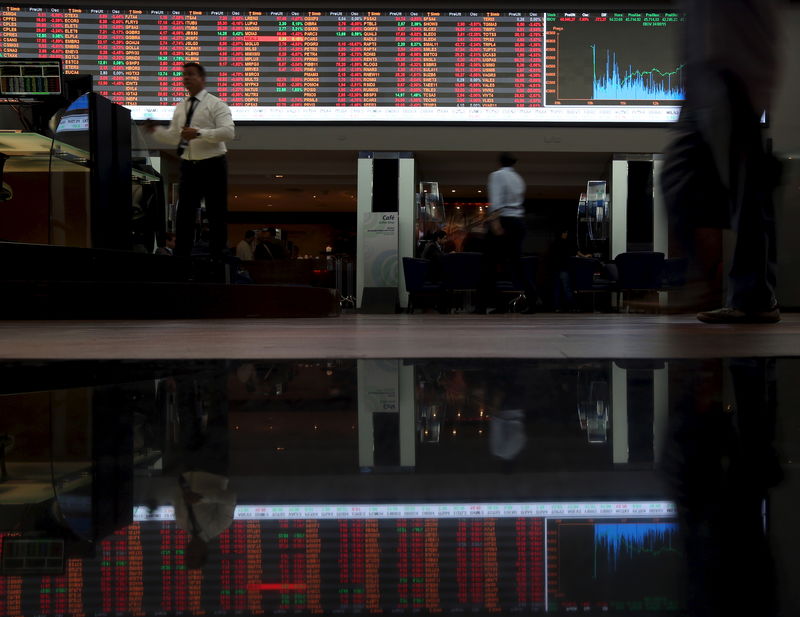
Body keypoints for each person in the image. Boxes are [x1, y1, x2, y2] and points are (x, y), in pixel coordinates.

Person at [660, 0, 781, 324]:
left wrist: (751, 87)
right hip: (700, 88)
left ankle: (752, 297)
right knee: (673, 179)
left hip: (731, 80)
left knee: (746, 198)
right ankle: (705, 281)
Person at [144, 62, 235, 259]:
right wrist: (156, 131)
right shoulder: (181, 107)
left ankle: (218, 257)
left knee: (216, 213)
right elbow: (175, 136)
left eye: (191, 74)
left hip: (213, 164)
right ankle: (181, 258)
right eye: (184, 75)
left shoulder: (216, 104)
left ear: (202, 79)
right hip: (189, 165)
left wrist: (200, 132)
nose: (186, 78)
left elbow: (228, 132)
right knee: (184, 214)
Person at [478, 153, 527, 313]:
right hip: (518, 222)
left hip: (503, 220)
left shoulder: (496, 175)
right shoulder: (518, 178)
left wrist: (495, 223)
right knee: (516, 264)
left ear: (500, 162)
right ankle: (532, 298)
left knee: (488, 265)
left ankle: (487, 305)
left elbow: (496, 201)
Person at [550, 229, 592, 312]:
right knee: (567, 288)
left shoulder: (554, 243)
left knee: (557, 289)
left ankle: (557, 307)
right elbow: (575, 252)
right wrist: (585, 256)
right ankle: (572, 307)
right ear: (563, 234)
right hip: (564, 268)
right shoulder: (566, 243)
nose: (566, 234)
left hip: (555, 269)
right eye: (566, 233)